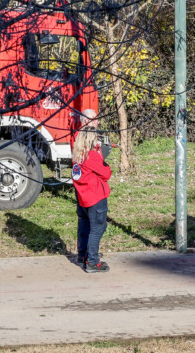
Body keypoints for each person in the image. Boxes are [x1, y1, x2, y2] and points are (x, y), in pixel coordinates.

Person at [72, 109, 112, 273]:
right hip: (95, 197)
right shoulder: (92, 156)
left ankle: (84, 254)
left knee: (84, 224)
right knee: (98, 227)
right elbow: (106, 173)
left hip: (83, 197)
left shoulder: (77, 155)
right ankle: (93, 262)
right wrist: (103, 156)